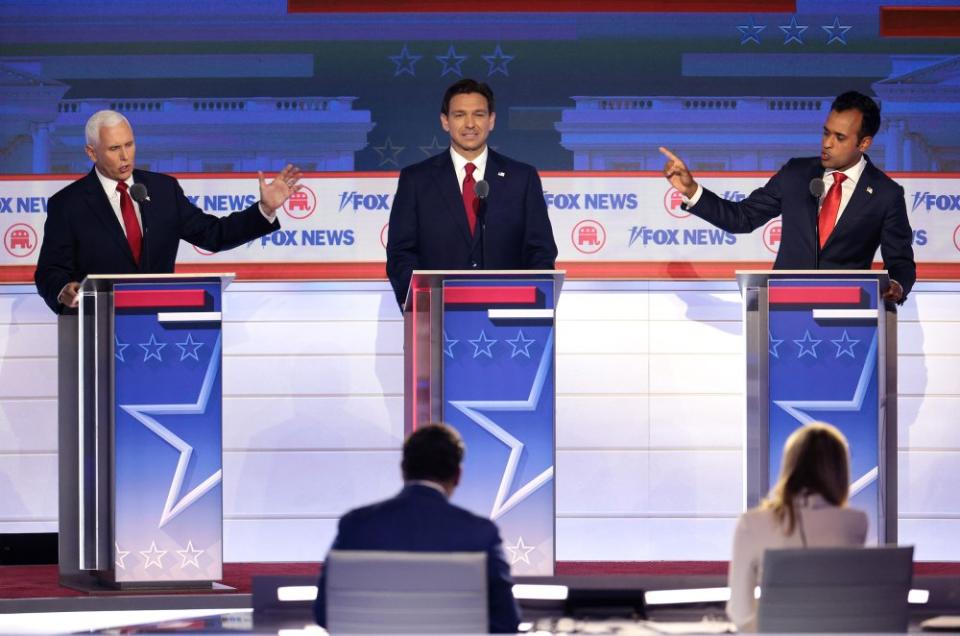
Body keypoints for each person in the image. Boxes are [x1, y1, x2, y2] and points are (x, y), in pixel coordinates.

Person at [34, 109, 302, 314]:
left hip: (159, 323)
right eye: (115, 149)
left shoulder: (163, 190)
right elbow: (50, 271)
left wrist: (264, 209)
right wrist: (63, 291)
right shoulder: (68, 204)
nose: (125, 156)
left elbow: (214, 235)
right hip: (98, 326)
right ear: (92, 153)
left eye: (129, 144)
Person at [660, 91, 916, 304]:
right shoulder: (796, 174)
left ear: (864, 144)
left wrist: (896, 285)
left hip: (849, 319)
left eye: (839, 138)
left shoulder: (886, 194)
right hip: (784, 311)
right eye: (826, 132)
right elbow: (741, 218)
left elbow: (901, 262)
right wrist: (691, 189)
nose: (827, 143)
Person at [313, 423, 521, 633]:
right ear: (457, 475)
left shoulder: (355, 525)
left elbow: (324, 613)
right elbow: (506, 622)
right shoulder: (481, 533)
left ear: (403, 470)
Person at [385, 78, 557, 307]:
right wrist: (421, 307)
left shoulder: (522, 178)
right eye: (459, 115)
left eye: (478, 114)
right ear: (445, 121)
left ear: (491, 120)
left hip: (509, 323)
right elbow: (401, 254)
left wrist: (531, 306)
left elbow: (540, 252)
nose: (469, 124)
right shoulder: (416, 180)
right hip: (437, 319)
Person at [726, 422, 868, 631]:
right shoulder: (856, 522)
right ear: (840, 471)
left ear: (789, 466)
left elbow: (741, 612)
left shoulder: (752, 523)